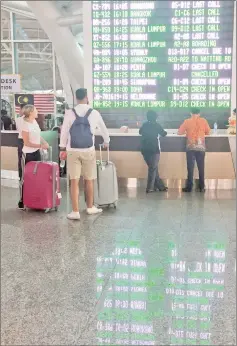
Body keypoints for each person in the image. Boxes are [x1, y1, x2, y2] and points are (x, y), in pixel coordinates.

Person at [60, 88, 110, 220]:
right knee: (89, 179)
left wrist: (62, 148)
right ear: (87, 97)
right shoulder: (94, 113)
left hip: (72, 151)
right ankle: (90, 207)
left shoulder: (69, 113)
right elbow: (104, 130)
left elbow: (64, 132)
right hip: (89, 150)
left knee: (74, 180)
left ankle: (75, 211)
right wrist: (106, 141)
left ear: (76, 98)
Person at [18, 105, 49, 210]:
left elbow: (38, 135)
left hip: (36, 153)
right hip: (27, 154)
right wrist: (41, 146)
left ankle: (34, 200)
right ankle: (22, 201)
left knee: (36, 177)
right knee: (24, 177)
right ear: (30, 112)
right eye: (36, 110)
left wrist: (44, 142)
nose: (37, 111)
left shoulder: (34, 122)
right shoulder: (25, 125)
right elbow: (26, 143)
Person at [178, 108, 211, 193]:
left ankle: (189, 187)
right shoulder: (204, 121)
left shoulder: (187, 121)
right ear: (199, 113)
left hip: (190, 147)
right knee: (201, 168)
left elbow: (179, 132)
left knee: (190, 168)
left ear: (190, 113)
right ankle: (202, 187)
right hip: (201, 148)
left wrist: (187, 132)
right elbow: (208, 132)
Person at [139, 110, 168, 193]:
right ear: (156, 117)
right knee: (152, 168)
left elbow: (140, 132)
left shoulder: (145, 125)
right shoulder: (157, 125)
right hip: (154, 150)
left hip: (144, 150)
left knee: (153, 168)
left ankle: (160, 187)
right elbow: (163, 134)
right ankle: (150, 188)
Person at [16, 104, 27, 181]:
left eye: (19, 109)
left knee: (20, 158)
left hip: (20, 141)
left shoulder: (18, 120)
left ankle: (21, 176)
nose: (19, 111)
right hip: (27, 141)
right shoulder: (30, 119)